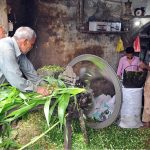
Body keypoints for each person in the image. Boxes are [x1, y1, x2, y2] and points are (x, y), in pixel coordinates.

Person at [0, 26, 49, 96]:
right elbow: (16, 80)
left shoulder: (18, 49)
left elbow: (29, 71)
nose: (32, 48)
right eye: (32, 44)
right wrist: (37, 89)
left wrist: (43, 84)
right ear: (25, 42)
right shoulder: (6, 49)